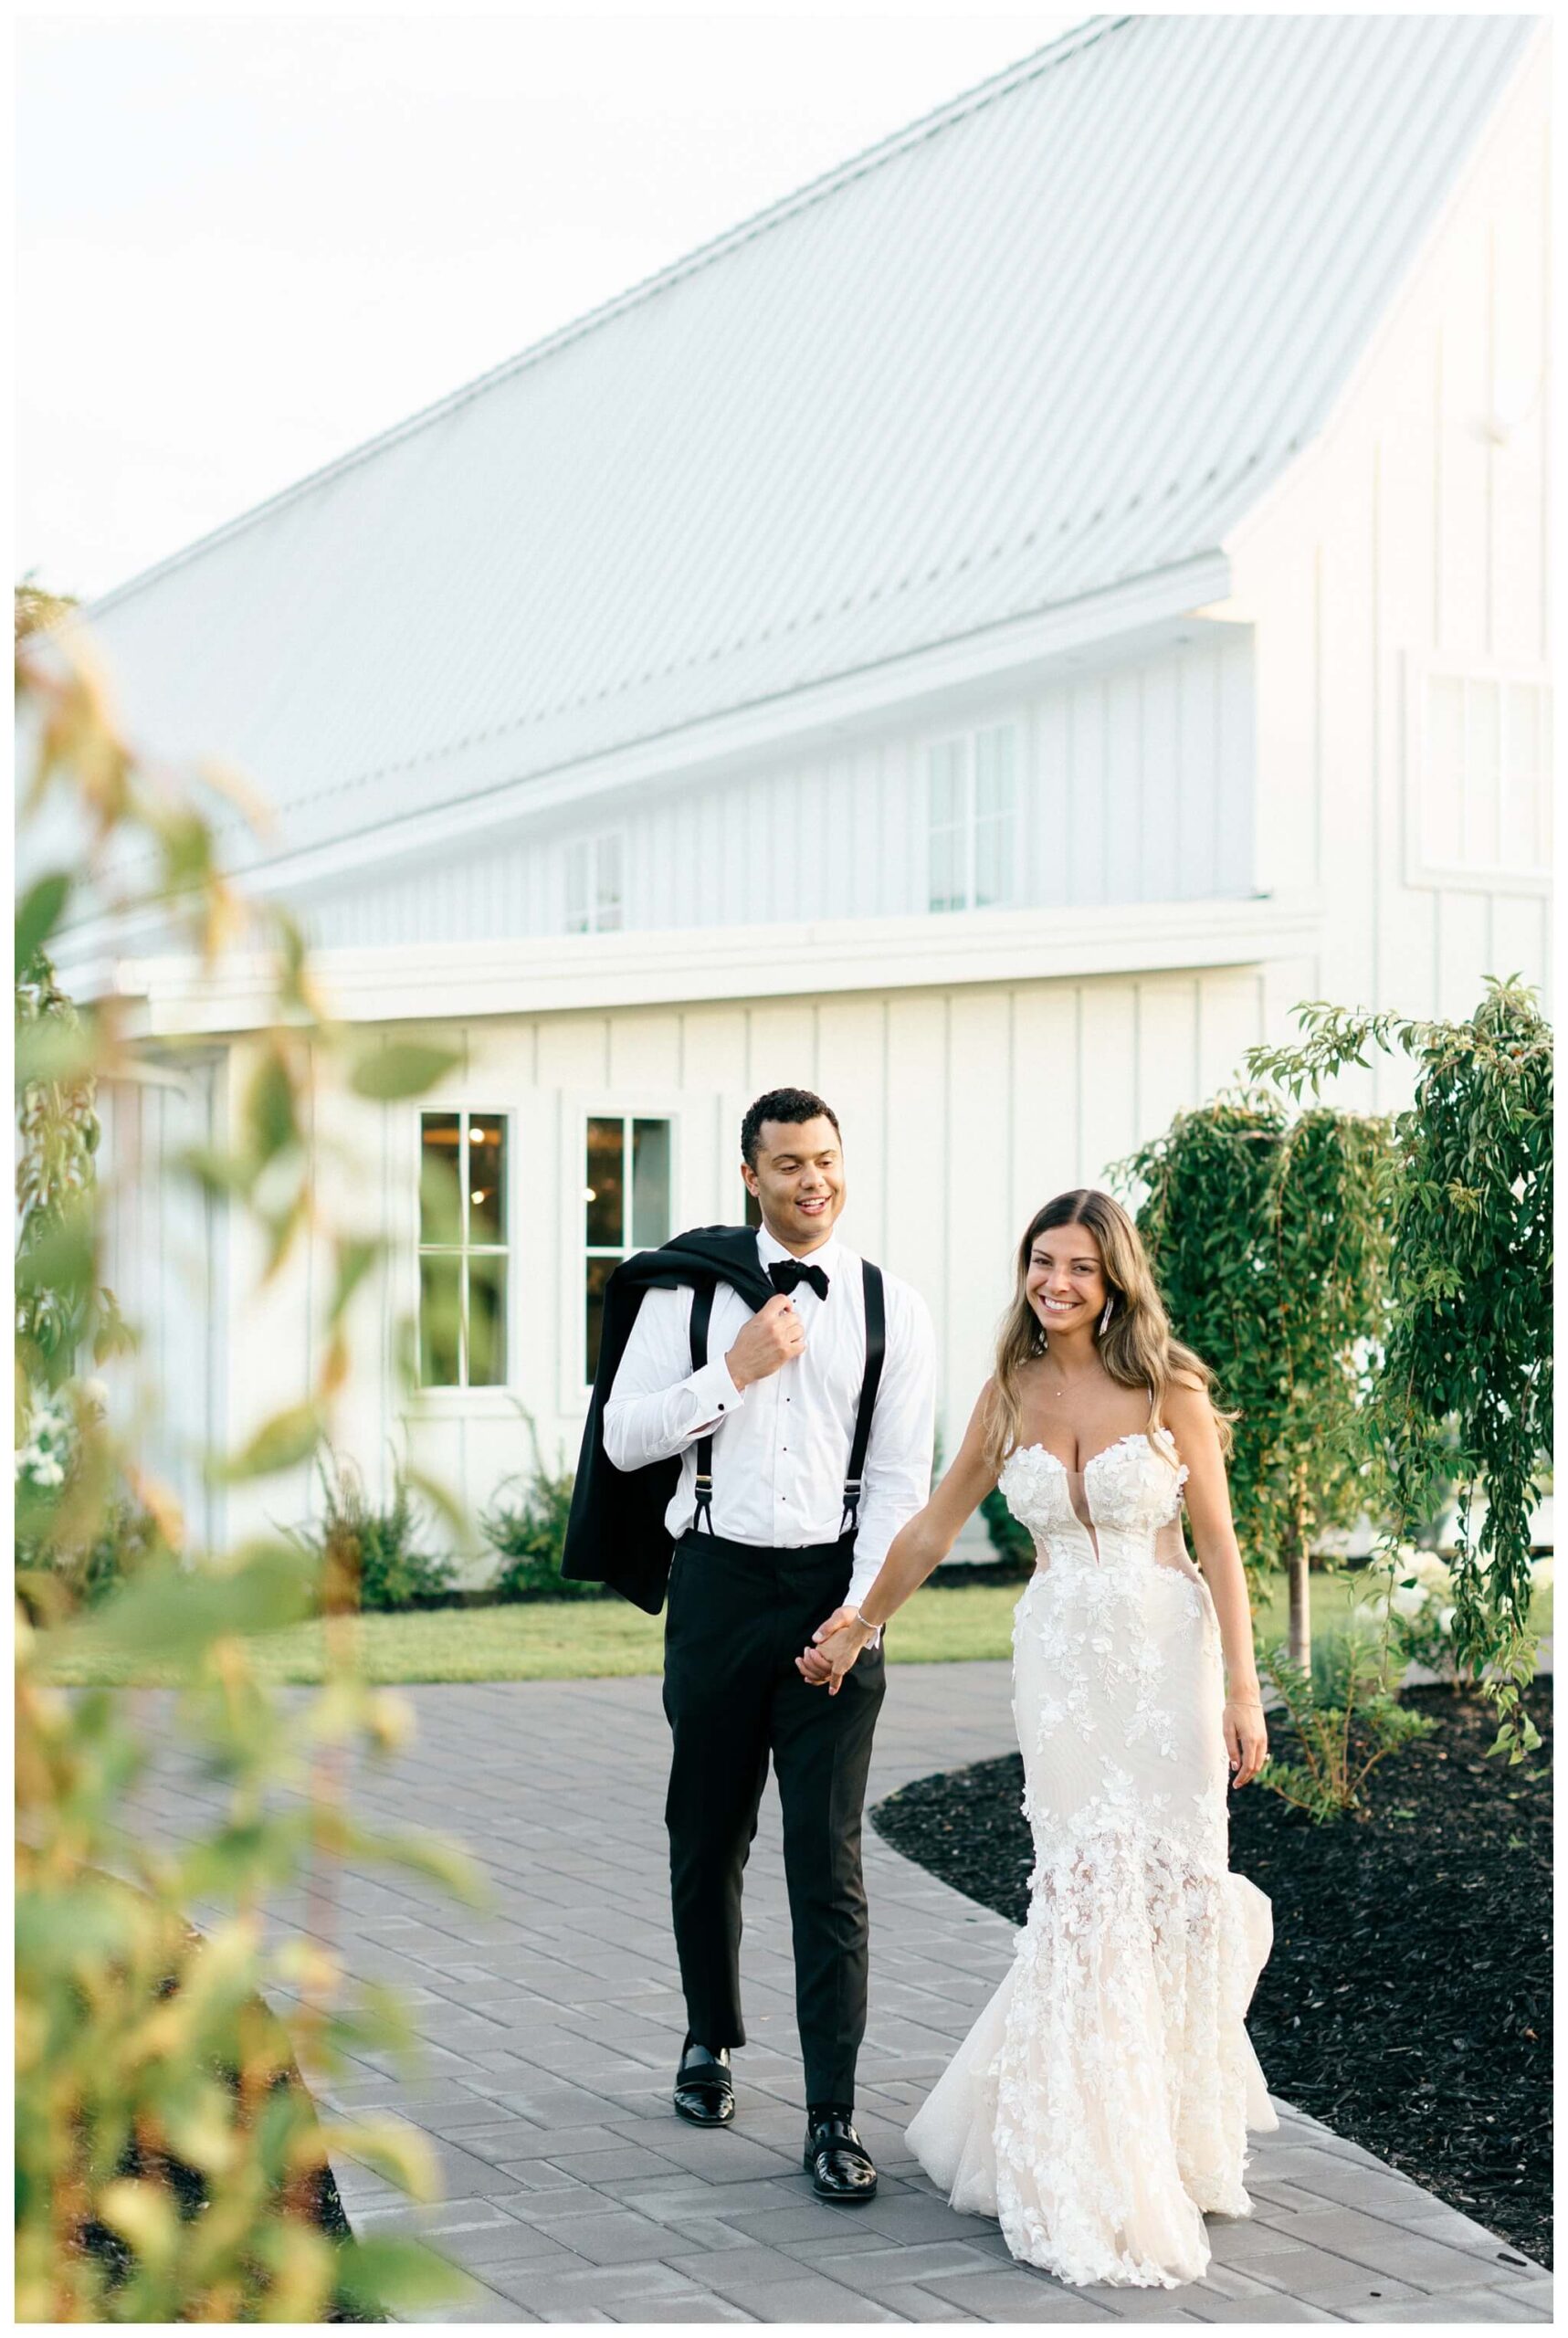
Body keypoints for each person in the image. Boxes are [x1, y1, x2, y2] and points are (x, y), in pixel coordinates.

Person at [799, 1187, 1275, 2286]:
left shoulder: (1170, 1391)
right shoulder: (1007, 1391)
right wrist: (862, 1619)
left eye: (1080, 1268)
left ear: (1115, 1281)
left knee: (1179, 1892)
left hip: (1166, 1655)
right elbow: (932, 1520)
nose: (1056, 1283)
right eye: (1042, 1263)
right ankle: (1084, 2149)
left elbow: (1221, 1546)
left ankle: (1172, 2134)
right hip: (1060, 1663)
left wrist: (1241, 1691)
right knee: (1083, 1885)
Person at [593, 1087, 935, 2203]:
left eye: (825, 1160)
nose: (811, 1182)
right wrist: (730, 1370)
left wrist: (862, 1615)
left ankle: (831, 2115)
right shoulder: (687, 1292)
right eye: (787, 1164)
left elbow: (897, 1482)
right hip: (718, 1585)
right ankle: (707, 2035)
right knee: (706, 1828)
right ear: (750, 1174)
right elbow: (624, 1433)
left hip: (836, 1590)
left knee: (825, 1861)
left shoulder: (893, 1308)